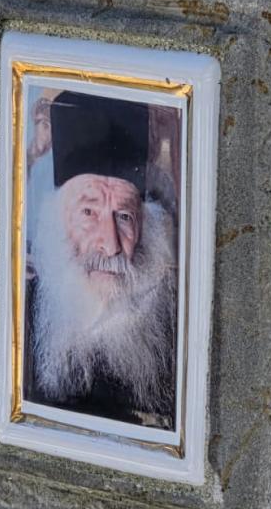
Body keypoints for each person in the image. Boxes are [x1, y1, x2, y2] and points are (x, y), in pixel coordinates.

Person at [25, 89, 177, 429]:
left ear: (145, 228)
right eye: (89, 212)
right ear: (55, 223)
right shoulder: (19, 317)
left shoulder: (171, 327)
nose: (110, 245)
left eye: (124, 216)